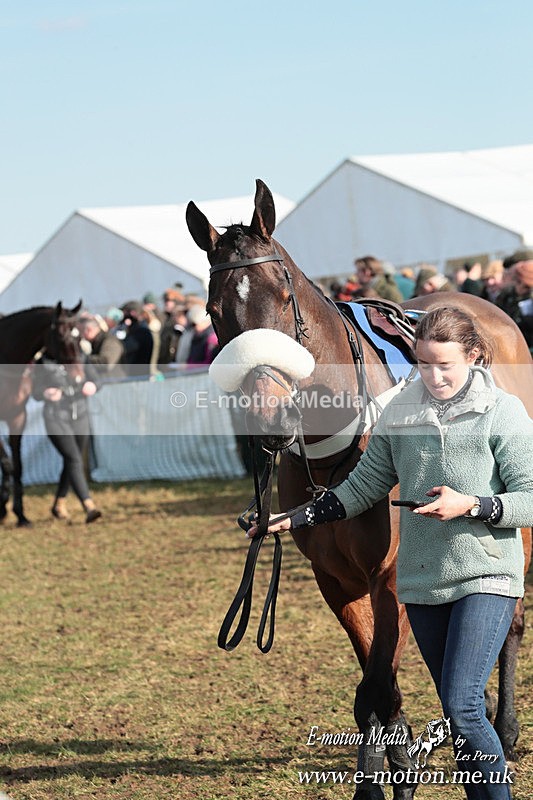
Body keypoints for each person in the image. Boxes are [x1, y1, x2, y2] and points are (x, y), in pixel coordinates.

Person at [249, 306, 533, 799]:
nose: (434, 377)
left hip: (486, 575)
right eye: (424, 364)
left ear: (474, 356)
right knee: (457, 713)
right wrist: (292, 518)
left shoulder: (503, 411)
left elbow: (530, 496)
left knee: (464, 706)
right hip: (423, 584)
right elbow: (361, 488)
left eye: (445, 365)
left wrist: (473, 504)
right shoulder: (399, 413)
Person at [32, 356, 102, 523]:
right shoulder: (44, 363)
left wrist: (92, 386)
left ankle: (59, 503)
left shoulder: (81, 357)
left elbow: (97, 381)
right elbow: (35, 391)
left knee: (71, 462)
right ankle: (88, 505)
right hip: (55, 418)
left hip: (80, 417)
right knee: (74, 459)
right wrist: (45, 392)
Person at [496, 256, 533, 352]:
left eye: (527, 286)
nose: (520, 287)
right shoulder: (506, 296)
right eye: (517, 281)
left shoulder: (530, 298)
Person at [78, 313, 125, 379]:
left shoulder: (110, 341)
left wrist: (82, 360)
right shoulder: (94, 343)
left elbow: (106, 363)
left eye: (81, 331)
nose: (80, 335)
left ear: (89, 330)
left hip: (115, 381)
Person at [119, 300, 154, 377]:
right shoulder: (140, 329)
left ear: (132, 313)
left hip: (137, 374)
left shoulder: (141, 331)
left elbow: (125, 348)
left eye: (125, 313)